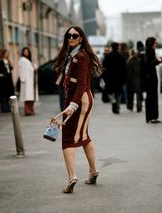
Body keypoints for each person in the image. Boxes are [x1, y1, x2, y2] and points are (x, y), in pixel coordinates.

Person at [53, 26, 102, 193]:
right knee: (83, 135)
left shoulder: (80, 56)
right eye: (69, 35)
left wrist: (72, 105)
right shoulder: (73, 55)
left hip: (80, 100)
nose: (71, 37)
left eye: (75, 35)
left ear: (81, 38)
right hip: (81, 99)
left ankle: (72, 177)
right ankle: (93, 171)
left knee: (67, 139)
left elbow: (81, 84)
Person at [102, 42, 126, 114]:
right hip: (119, 78)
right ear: (118, 47)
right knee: (118, 93)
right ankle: (117, 107)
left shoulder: (107, 56)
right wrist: (124, 78)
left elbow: (104, 68)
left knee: (109, 92)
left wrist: (103, 76)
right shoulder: (121, 56)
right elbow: (125, 68)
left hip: (109, 78)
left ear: (111, 47)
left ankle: (113, 101)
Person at [144, 37, 162, 123]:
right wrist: (158, 61)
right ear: (151, 43)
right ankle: (152, 117)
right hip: (150, 77)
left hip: (149, 77)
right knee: (152, 97)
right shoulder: (149, 52)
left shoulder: (148, 51)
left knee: (151, 97)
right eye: (155, 43)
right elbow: (149, 64)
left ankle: (151, 117)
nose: (156, 44)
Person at [18, 47, 38, 116]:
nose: (26, 53)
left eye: (27, 51)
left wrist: (34, 67)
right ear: (23, 52)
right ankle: (27, 110)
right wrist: (22, 79)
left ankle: (31, 109)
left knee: (32, 97)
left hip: (31, 81)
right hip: (26, 81)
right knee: (27, 97)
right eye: (25, 51)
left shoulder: (29, 60)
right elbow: (21, 70)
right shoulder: (22, 60)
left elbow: (34, 68)